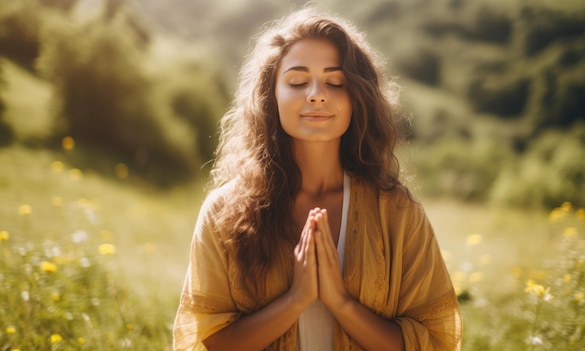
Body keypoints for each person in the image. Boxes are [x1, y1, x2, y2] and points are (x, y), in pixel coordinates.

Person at [173, 6, 462, 351]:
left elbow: (431, 341)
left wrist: (340, 302)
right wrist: (296, 299)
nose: (315, 93)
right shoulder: (223, 212)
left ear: (357, 97)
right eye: (297, 81)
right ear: (271, 95)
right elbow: (209, 341)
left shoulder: (397, 212)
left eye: (335, 81)